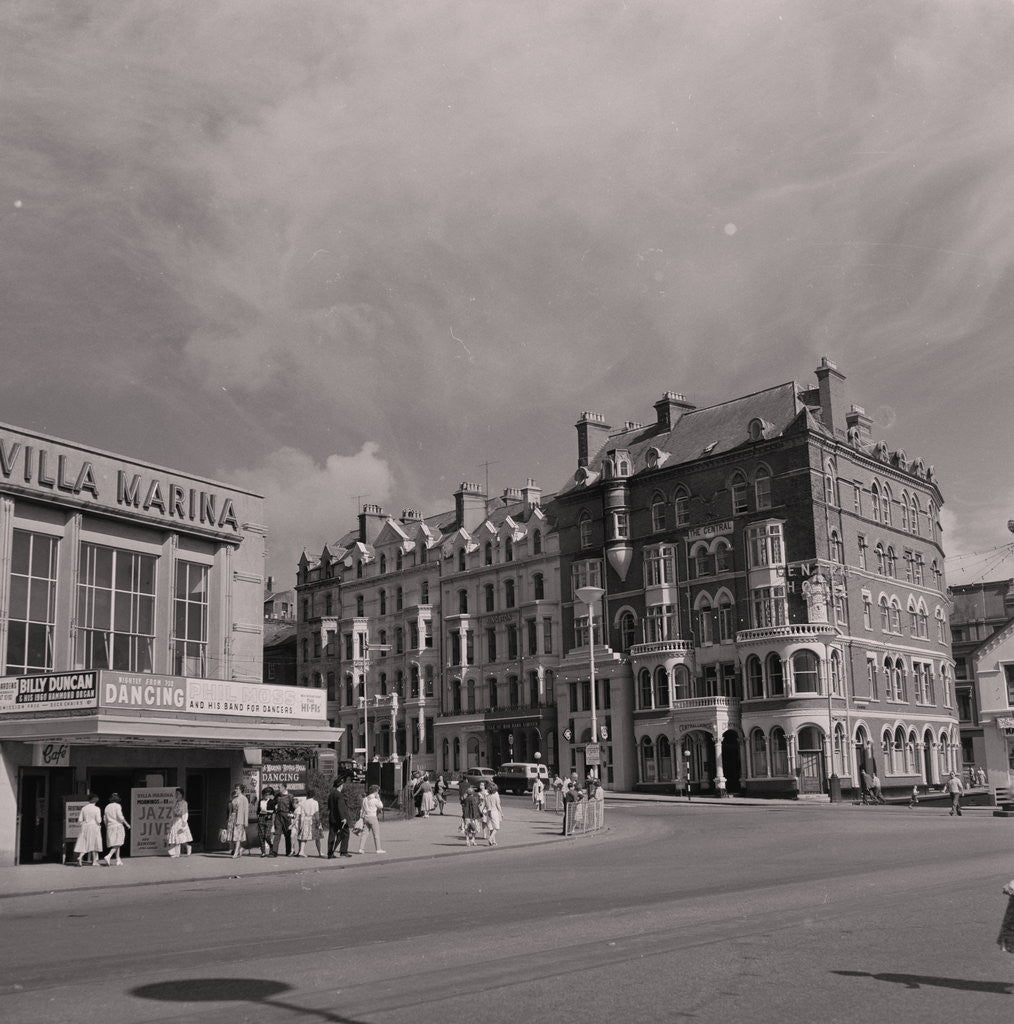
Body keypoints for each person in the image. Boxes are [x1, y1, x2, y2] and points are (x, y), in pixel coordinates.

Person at [100, 793, 130, 866]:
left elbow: (104, 818)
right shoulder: (117, 806)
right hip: (117, 826)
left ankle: (118, 859)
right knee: (119, 842)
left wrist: (107, 826)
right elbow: (120, 816)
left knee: (116, 843)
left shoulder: (107, 807)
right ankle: (109, 856)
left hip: (110, 826)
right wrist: (126, 824)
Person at [74, 794, 103, 867]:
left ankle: (80, 859)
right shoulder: (97, 809)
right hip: (94, 826)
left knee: (84, 843)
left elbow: (80, 820)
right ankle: (94, 861)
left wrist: (85, 823)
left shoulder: (84, 808)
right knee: (95, 843)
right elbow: (99, 820)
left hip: (85, 826)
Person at [356, 784, 386, 854]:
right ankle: (378, 849)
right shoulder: (375, 800)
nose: (378, 793)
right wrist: (378, 798)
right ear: (376, 791)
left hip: (366, 817)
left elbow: (362, 809)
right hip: (373, 817)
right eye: (377, 791)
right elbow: (381, 806)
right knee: (376, 834)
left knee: (365, 833)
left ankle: (361, 848)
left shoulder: (365, 799)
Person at [327, 779, 353, 858]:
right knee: (346, 833)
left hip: (332, 817)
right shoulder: (339, 795)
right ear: (340, 786)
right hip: (340, 819)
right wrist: (343, 818)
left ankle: (330, 853)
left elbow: (329, 806)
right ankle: (343, 851)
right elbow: (340, 807)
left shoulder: (331, 794)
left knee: (332, 834)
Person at [167, 788, 193, 858]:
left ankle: (187, 846)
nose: (176, 795)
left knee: (181, 837)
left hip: (180, 821)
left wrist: (184, 821)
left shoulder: (184, 803)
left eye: (178, 794)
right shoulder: (176, 803)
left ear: (181, 795)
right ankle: (177, 853)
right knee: (176, 837)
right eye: (176, 793)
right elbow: (173, 812)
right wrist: (172, 820)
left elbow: (185, 812)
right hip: (175, 821)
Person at [270, 785, 295, 856]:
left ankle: (288, 851)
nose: (278, 789)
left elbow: (293, 807)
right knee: (277, 833)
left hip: (286, 816)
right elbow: (273, 804)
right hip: (278, 815)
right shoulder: (277, 795)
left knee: (287, 834)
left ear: (284, 788)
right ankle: (274, 852)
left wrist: (292, 814)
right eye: (278, 787)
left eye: (279, 787)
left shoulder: (290, 796)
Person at [295, 790, 322, 857]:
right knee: (317, 837)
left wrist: (301, 824)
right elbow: (316, 813)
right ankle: (320, 852)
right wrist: (318, 822)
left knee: (304, 837)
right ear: (313, 795)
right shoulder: (315, 802)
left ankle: (301, 851)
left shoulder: (303, 803)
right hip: (314, 820)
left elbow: (302, 814)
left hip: (306, 820)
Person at [226, 784, 249, 858]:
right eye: (236, 788)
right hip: (233, 818)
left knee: (238, 837)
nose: (236, 790)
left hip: (240, 819)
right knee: (233, 837)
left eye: (238, 789)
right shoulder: (234, 799)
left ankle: (236, 852)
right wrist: (229, 819)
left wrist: (246, 821)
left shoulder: (244, 799)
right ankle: (240, 849)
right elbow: (231, 809)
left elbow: (246, 811)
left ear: (241, 790)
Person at [481, 781, 503, 847]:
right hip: (494, 811)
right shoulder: (495, 796)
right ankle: (490, 839)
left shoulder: (487, 796)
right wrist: (502, 813)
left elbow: (483, 804)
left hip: (488, 812)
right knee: (496, 828)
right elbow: (498, 805)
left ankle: (493, 841)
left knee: (491, 828)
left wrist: (481, 811)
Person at [255, 786, 275, 857]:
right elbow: (257, 811)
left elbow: (273, 811)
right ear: (263, 795)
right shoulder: (260, 801)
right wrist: (258, 815)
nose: (266, 796)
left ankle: (271, 845)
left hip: (268, 819)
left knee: (266, 835)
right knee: (261, 836)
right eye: (265, 794)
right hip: (261, 818)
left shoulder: (271, 801)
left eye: (268, 794)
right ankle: (263, 852)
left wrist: (268, 813)